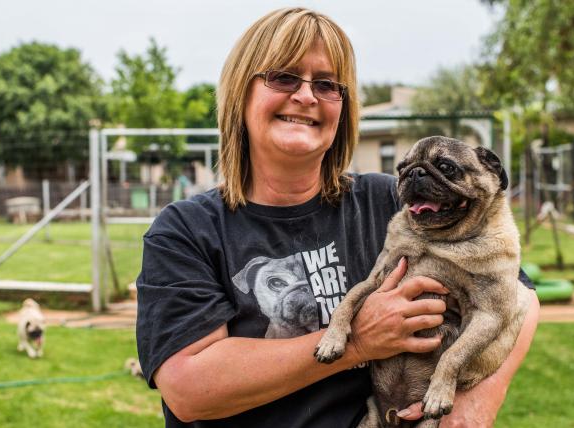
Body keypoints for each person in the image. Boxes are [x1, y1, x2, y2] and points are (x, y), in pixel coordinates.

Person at [136, 7, 540, 428]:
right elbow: (189, 388)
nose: (306, 96)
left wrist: (476, 403)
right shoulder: (185, 231)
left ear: (342, 109)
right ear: (242, 92)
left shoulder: (389, 203)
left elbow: (518, 298)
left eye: (327, 84)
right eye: (284, 77)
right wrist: (359, 341)